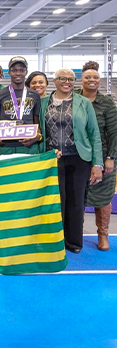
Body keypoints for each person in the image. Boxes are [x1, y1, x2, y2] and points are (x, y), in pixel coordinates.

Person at [39, 68, 103, 254]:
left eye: (71, 79)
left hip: (79, 158)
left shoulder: (83, 103)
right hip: (52, 158)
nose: (67, 82)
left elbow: (94, 134)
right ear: (55, 80)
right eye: (63, 78)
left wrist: (97, 164)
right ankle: (55, 241)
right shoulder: (44, 102)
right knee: (54, 201)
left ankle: (74, 242)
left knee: (76, 202)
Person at [78, 61, 117, 251]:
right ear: (81, 79)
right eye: (88, 77)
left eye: (95, 77)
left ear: (99, 81)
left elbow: (114, 133)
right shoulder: (74, 98)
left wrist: (111, 158)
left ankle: (103, 234)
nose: (91, 80)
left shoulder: (107, 103)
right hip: (78, 156)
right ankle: (75, 233)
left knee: (103, 198)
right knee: (76, 197)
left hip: (103, 157)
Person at [0, 56, 42, 155]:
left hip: (29, 146)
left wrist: (36, 137)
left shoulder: (34, 95)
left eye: (21, 70)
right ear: (9, 72)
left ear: (26, 72)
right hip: (5, 146)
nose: (18, 73)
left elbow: (37, 123)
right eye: (14, 70)